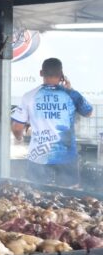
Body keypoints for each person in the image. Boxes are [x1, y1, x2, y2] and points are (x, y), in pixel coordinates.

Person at [11, 58, 93, 188]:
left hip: (38, 156)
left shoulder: (29, 96)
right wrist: (71, 89)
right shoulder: (71, 95)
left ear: (41, 73)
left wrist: (19, 138)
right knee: (70, 198)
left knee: (36, 197)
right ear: (61, 75)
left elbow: (17, 127)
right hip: (67, 157)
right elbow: (89, 112)